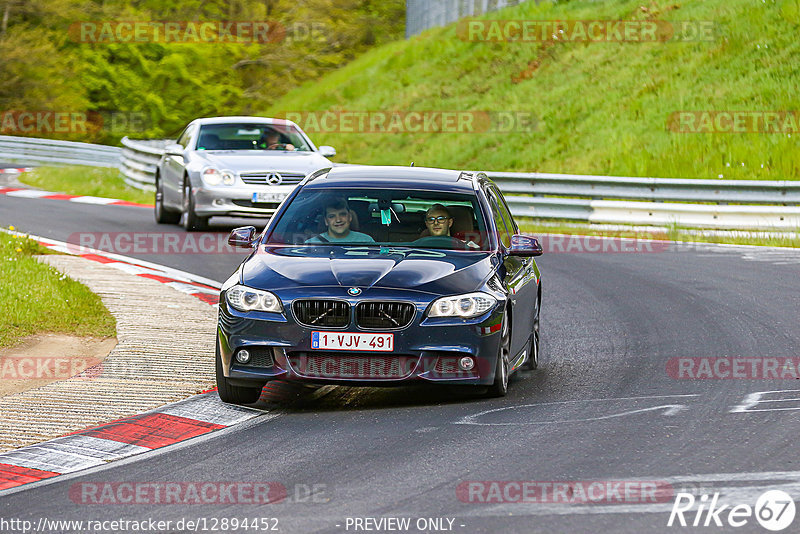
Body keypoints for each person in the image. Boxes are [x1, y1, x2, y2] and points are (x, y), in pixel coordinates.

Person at [305, 198, 374, 243]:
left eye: (342, 214)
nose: (338, 220)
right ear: (326, 221)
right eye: (332, 216)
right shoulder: (312, 244)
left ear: (350, 217)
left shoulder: (366, 241)